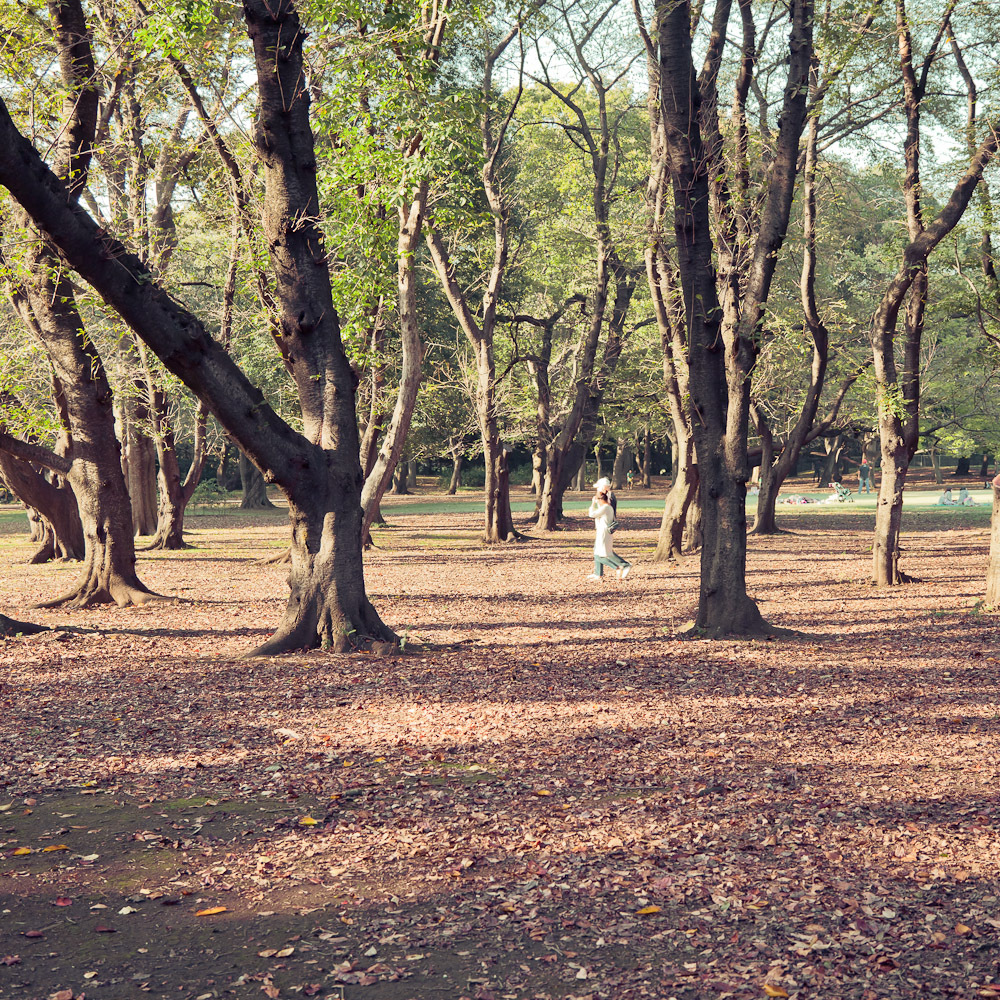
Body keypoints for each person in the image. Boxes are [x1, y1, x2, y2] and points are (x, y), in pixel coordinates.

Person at [586, 477, 631, 581]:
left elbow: (591, 514)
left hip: (604, 532)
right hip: (603, 531)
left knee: (603, 554)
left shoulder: (606, 507)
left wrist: (593, 503)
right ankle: (598, 573)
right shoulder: (608, 505)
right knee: (600, 552)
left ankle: (621, 566)